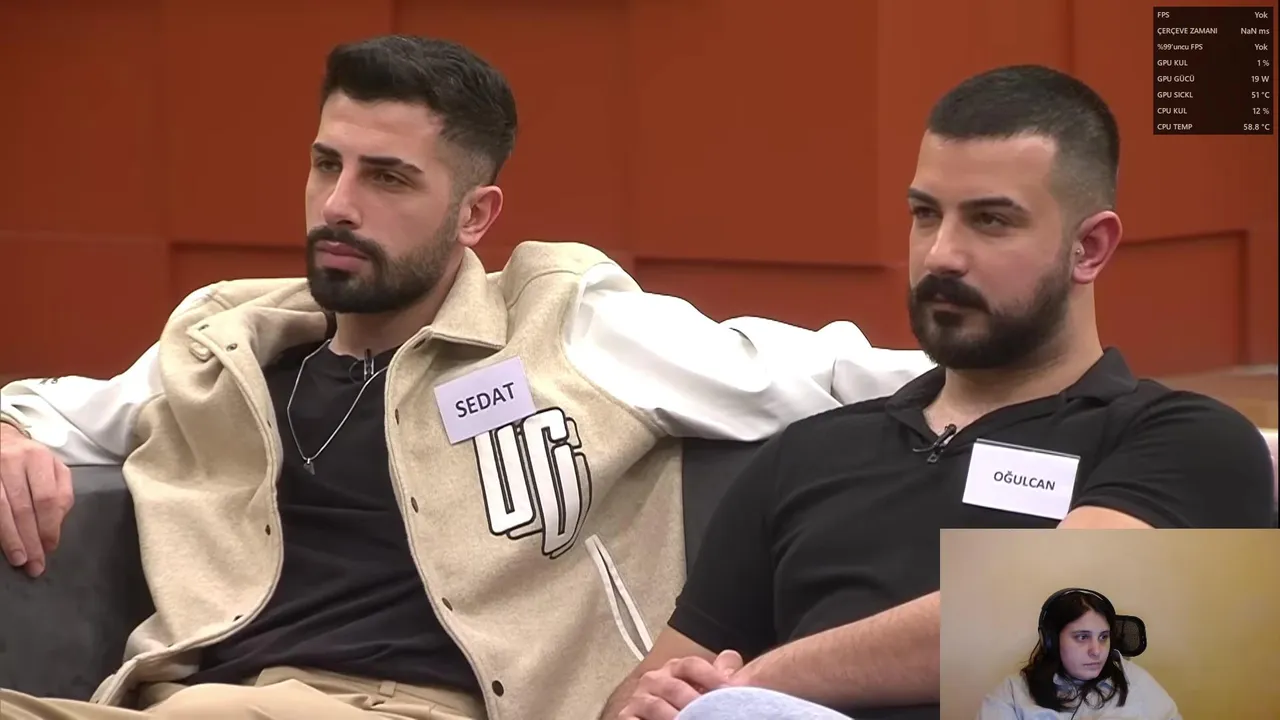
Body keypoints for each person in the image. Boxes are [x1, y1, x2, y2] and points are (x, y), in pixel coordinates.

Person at [0, 35, 935, 720]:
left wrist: (1026, 416)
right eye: (327, 164)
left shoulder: (568, 322)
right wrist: (8, 434)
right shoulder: (226, 341)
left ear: (476, 215)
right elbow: (47, 409)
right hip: (192, 698)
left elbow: (840, 373)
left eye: (388, 179)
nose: (338, 204)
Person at [601, 64, 1274, 720]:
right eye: (926, 214)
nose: (941, 254)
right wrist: (660, 701)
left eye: (991, 221)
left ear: (1089, 248)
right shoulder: (807, 454)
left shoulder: (1185, 440)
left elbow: (1056, 611)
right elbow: (650, 690)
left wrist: (756, 682)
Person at [977, 588, 1181, 719]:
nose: (1097, 651)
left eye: (1103, 637)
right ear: (1051, 641)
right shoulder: (1013, 694)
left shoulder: (1136, 681)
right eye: (1082, 637)